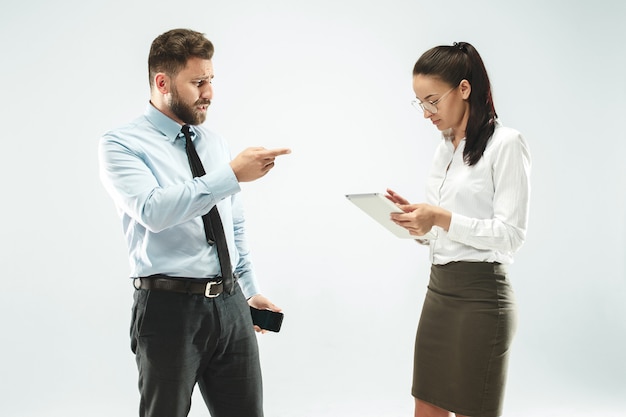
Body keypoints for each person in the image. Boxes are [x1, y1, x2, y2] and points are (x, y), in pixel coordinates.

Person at [98, 28, 291, 417]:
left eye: (211, 80)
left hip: (231, 304)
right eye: (198, 82)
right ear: (162, 82)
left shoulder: (213, 143)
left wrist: (248, 290)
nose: (209, 93)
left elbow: (232, 226)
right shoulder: (121, 144)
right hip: (168, 309)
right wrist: (231, 175)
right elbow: (154, 211)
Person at [387, 42, 531, 417]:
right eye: (420, 103)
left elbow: (510, 235)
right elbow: (441, 235)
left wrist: (439, 217)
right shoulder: (445, 149)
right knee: (425, 407)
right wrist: (419, 223)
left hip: (482, 299)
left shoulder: (507, 144)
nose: (426, 113)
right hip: (439, 293)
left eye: (432, 101)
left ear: (464, 89)